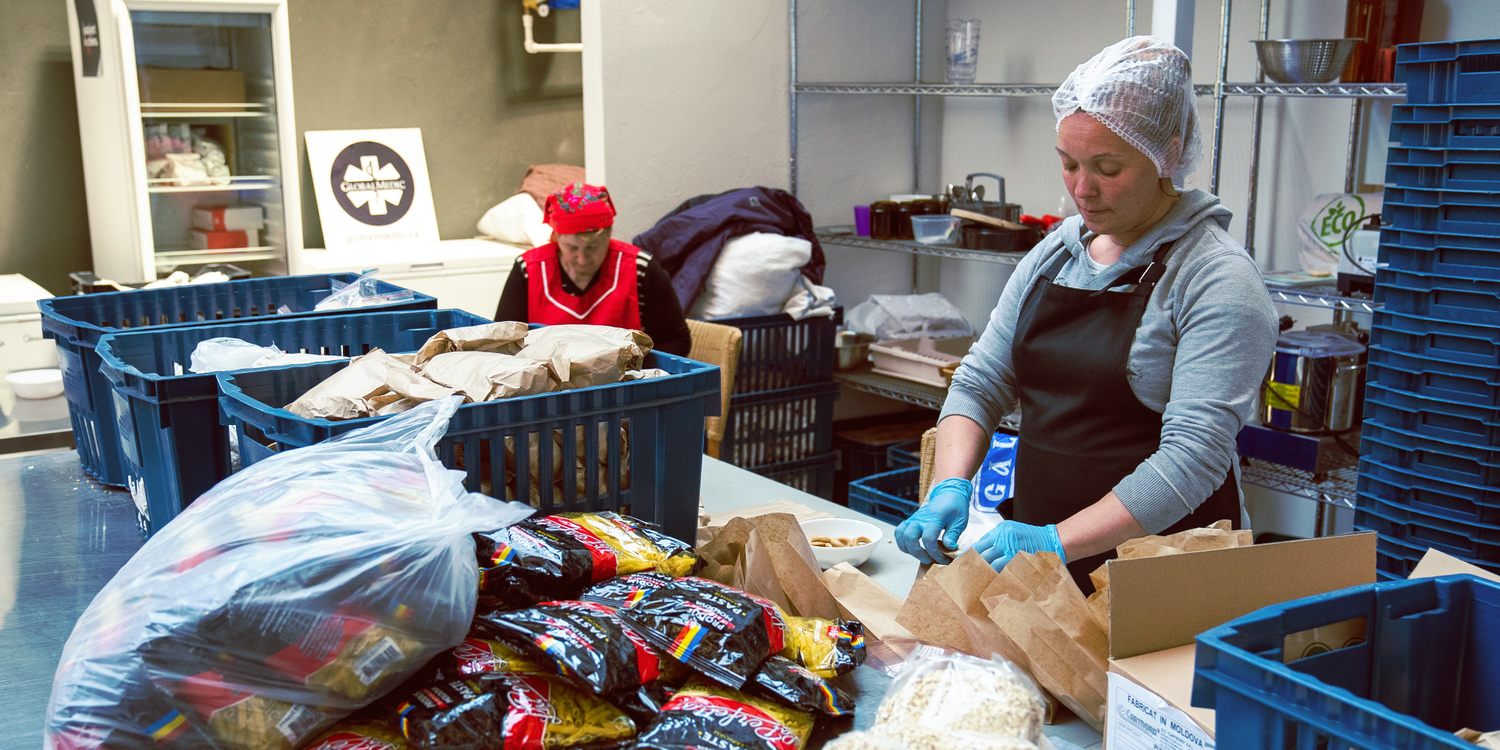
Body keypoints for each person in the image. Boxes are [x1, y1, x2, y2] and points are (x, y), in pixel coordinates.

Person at [894, 37, 1278, 593]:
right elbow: (982, 380)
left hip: (1159, 574)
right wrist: (951, 485)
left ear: (1167, 155)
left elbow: (1193, 461)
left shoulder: (1217, 279)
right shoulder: (1058, 251)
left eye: (1107, 167)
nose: (1081, 189)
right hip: (1037, 566)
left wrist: (1054, 540)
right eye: (1069, 164)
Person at [495, 182, 694, 356]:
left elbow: (677, 340)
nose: (582, 260)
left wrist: (633, 368)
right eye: (572, 248)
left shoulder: (640, 268)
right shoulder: (529, 270)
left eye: (593, 248)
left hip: (623, 385)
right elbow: (503, 341)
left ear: (608, 235)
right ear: (556, 237)